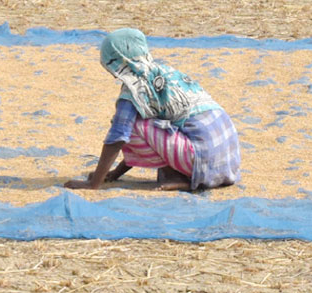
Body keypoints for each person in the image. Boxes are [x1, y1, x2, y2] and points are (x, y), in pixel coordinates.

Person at [64, 28, 242, 193]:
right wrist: (115, 174)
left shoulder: (134, 89)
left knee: (128, 126)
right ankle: (189, 176)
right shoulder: (164, 72)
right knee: (141, 124)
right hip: (225, 159)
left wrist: (94, 182)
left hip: (202, 156)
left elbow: (119, 137)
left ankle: (177, 177)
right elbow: (151, 137)